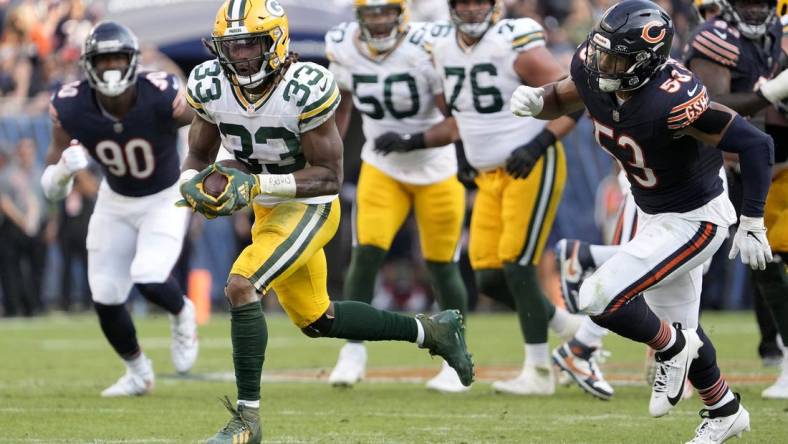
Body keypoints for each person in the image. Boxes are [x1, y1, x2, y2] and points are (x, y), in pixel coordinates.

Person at [177, 1, 473, 442]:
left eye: (249, 45)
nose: (239, 56)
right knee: (319, 319)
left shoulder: (306, 86)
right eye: (230, 46)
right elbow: (199, 154)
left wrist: (256, 184)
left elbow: (329, 177)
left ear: (275, 42)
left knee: (242, 284)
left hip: (312, 205)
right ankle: (433, 330)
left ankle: (247, 420)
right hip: (270, 210)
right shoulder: (208, 83)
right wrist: (190, 183)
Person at [510, 0, 773, 441]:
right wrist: (538, 100)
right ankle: (724, 409)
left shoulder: (673, 99)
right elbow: (562, 96)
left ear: (645, 62)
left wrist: (753, 220)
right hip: (655, 212)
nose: (600, 62)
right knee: (687, 329)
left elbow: (756, 144)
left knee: (599, 295)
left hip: (696, 219)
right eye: (601, 50)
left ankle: (671, 348)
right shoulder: (595, 69)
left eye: (615, 57)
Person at [427, 0, 596, 396]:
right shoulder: (440, 46)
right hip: (489, 174)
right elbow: (458, 105)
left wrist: (538, 144)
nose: (471, 9)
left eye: (479, 2)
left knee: (519, 264)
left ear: (494, 6)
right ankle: (567, 326)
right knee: (487, 275)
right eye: (463, 2)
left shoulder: (514, 42)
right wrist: (466, 150)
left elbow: (577, 96)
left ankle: (538, 372)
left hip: (529, 165)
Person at [41, 21, 199, 397]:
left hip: (164, 196)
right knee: (106, 295)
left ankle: (182, 312)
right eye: (103, 59)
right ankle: (138, 373)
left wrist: (193, 105)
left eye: (117, 58)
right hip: (115, 200)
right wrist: (65, 169)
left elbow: (202, 119)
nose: (111, 67)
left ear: (132, 61)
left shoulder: (159, 93)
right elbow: (50, 188)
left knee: (148, 275)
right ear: (88, 65)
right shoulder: (70, 105)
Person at [324, 0, 469, 393]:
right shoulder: (342, 46)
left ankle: (458, 354)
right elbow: (342, 106)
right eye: (370, 13)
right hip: (382, 166)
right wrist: (331, 151)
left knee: (443, 264)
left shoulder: (426, 47)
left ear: (401, 13)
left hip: (434, 165)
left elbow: (454, 119)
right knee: (366, 252)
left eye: (385, 12)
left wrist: (411, 138)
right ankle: (352, 350)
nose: (378, 20)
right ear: (359, 17)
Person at [684, 0, 788, 399]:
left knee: (769, 260)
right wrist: (772, 92)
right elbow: (707, 108)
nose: (756, 8)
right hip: (732, 168)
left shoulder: (776, 32)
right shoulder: (714, 37)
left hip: (773, 160)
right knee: (760, 261)